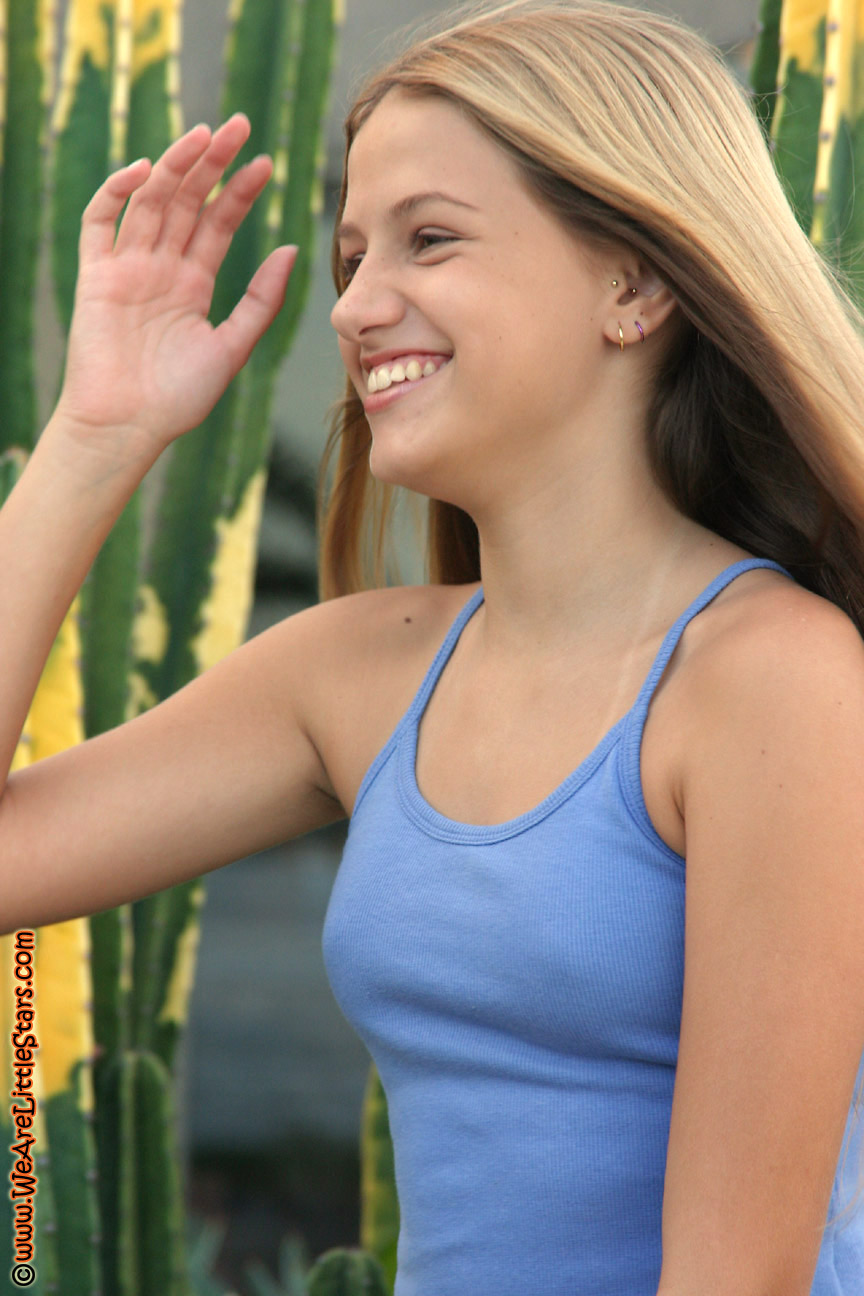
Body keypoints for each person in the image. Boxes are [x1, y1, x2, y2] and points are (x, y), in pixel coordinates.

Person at [2, 0, 864, 1290]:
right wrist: (97, 433)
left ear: (634, 284)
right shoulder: (356, 673)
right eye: (351, 258)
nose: (357, 308)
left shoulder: (771, 682)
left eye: (431, 239)